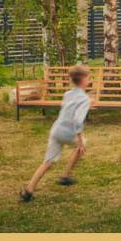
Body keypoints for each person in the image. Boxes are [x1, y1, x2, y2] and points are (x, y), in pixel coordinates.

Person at [20, 65, 91, 202]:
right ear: (83, 79)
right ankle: (66, 175)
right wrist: (80, 140)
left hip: (56, 130)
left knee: (47, 162)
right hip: (69, 133)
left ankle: (29, 190)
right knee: (82, 145)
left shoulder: (67, 94)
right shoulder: (85, 99)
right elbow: (77, 120)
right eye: (88, 78)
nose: (89, 80)